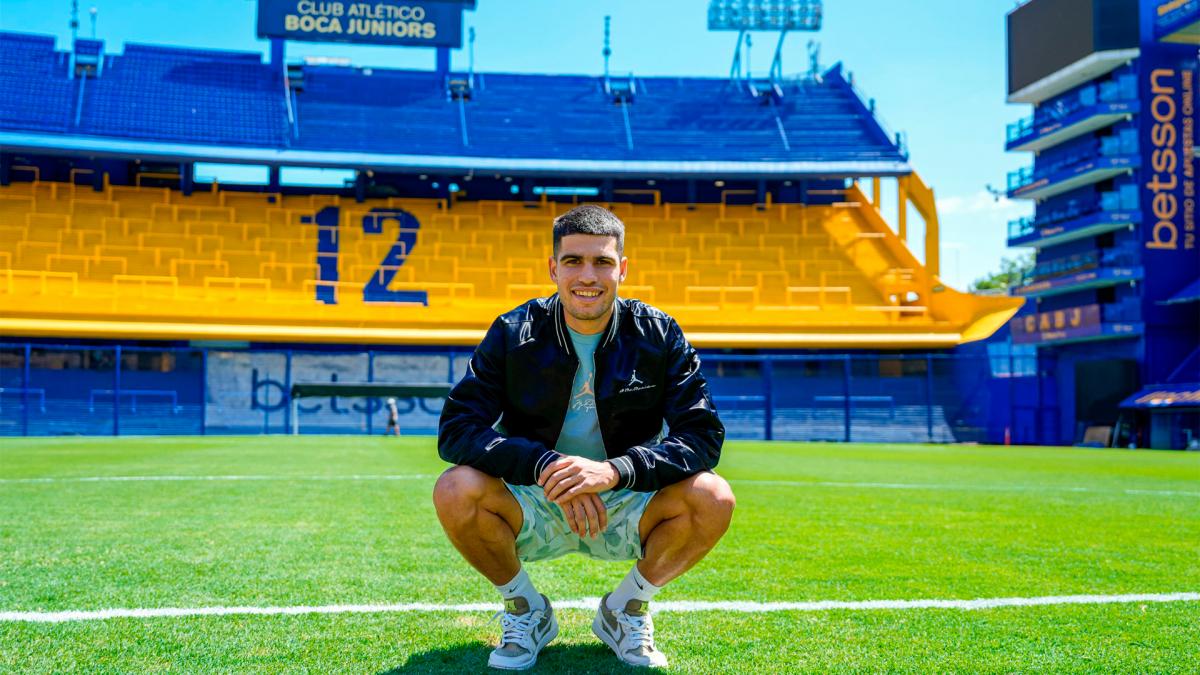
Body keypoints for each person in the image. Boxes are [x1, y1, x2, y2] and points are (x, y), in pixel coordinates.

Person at [434, 204, 735, 670]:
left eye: (602, 261)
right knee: (455, 489)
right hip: (535, 494)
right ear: (553, 268)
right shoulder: (513, 332)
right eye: (573, 261)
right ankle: (525, 610)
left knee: (713, 497)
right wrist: (546, 465)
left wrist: (615, 470)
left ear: (623, 268)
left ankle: (625, 609)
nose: (587, 276)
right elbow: (457, 429)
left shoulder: (658, 333)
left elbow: (702, 436)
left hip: (624, 496)